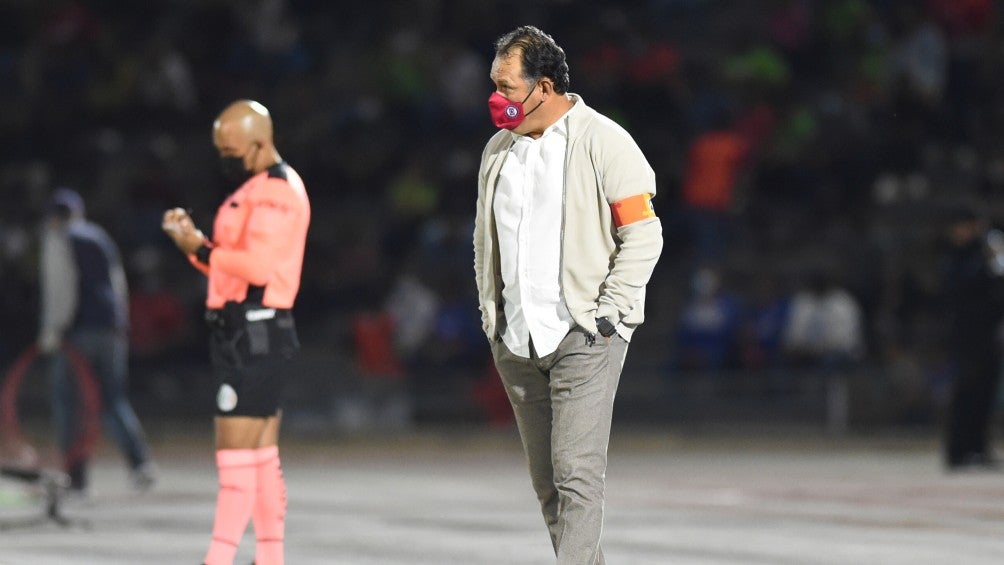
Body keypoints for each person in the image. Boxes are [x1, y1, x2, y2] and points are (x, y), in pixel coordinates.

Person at [474, 26, 663, 564]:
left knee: (577, 476)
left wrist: (611, 312)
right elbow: (486, 240)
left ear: (546, 86)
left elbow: (644, 232)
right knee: (549, 486)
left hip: (584, 333)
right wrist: (492, 313)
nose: (496, 98)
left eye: (507, 86)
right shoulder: (498, 150)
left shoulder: (603, 139)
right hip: (516, 339)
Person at [162, 99, 310, 565]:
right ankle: (270, 556)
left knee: (235, 458)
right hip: (253, 328)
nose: (225, 157)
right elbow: (230, 264)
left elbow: (258, 266)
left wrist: (200, 250)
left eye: (232, 148)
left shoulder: (275, 192)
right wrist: (197, 246)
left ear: (261, 142)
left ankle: (217, 559)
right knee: (261, 456)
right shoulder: (259, 187)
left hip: (253, 329)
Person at [37, 187, 156, 495]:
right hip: (111, 330)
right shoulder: (99, 237)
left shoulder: (58, 238)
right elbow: (118, 283)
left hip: (77, 333)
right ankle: (140, 464)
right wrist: (120, 325)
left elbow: (62, 287)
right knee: (113, 400)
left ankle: (75, 476)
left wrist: (53, 329)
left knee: (69, 403)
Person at [939, 205, 1004, 471]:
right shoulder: (957, 257)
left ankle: (978, 447)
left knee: (984, 393)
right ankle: (958, 451)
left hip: (989, 333)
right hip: (966, 335)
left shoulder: (987, 253)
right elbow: (958, 288)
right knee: (966, 391)